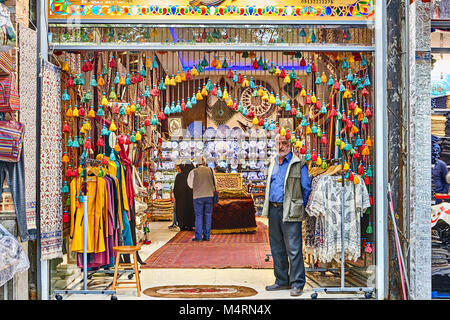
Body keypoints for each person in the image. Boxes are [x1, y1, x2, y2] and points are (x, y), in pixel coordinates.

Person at [262, 134, 311, 297]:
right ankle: (282, 280)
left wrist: (300, 207)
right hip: (274, 210)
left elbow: (306, 187)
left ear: (290, 145)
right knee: (277, 247)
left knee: (294, 248)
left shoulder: (298, 164)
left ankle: (297, 283)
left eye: (284, 143)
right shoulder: (273, 163)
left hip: (290, 209)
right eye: (278, 143)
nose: (281, 146)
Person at [187, 156, 217, 241]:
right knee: (208, 215)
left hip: (198, 196)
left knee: (199, 216)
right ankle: (207, 236)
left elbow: (190, 185)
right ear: (204, 162)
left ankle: (198, 236)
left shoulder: (193, 172)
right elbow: (215, 182)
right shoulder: (211, 170)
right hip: (209, 195)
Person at [173, 162, 195, 231]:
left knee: (181, 212)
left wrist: (177, 197)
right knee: (190, 211)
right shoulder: (193, 176)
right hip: (190, 199)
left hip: (181, 200)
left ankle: (182, 225)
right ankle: (190, 225)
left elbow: (175, 188)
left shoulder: (179, 176)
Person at [168, 164, 182, 229]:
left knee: (176, 210)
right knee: (175, 210)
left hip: (180, 196)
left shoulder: (181, 176)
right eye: (177, 169)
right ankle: (174, 223)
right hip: (178, 196)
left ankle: (176, 223)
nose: (178, 170)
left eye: (179, 169)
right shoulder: (178, 176)